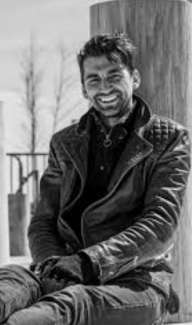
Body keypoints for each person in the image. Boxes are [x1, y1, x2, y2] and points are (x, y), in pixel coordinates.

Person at [0, 34, 191, 325]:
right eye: (94, 79)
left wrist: (87, 263)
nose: (104, 87)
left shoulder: (170, 138)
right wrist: (55, 267)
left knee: (50, 313)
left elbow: (159, 225)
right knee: (8, 285)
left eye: (114, 75)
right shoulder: (63, 142)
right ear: (84, 88)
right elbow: (42, 222)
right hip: (63, 269)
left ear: (135, 78)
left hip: (135, 281)